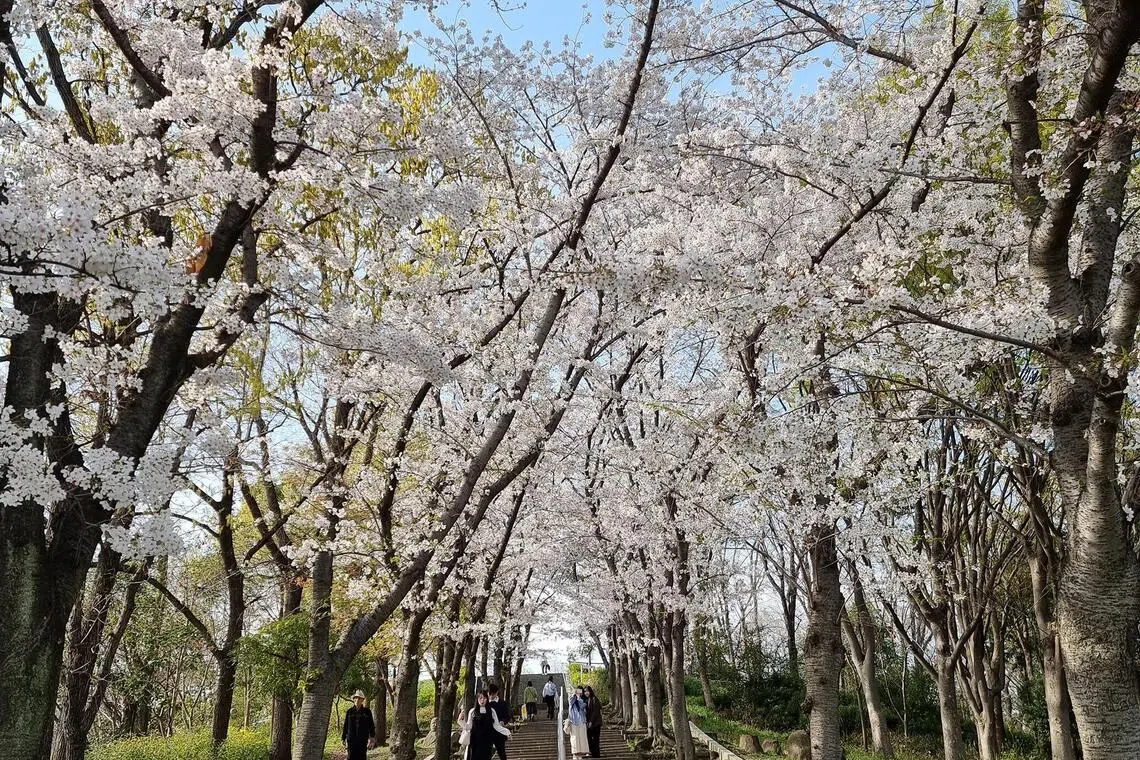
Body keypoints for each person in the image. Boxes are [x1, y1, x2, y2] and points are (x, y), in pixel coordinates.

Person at [461, 691, 511, 760]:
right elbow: (469, 726)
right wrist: (460, 721)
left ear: (487, 699)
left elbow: (497, 726)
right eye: (480, 698)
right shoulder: (472, 711)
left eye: (484, 698)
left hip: (487, 742)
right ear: (477, 699)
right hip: (475, 742)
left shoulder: (491, 711)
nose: (482, 700)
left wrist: (507, 732)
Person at [341, 690, 376, 760]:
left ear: (362, 700)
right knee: (351, 757)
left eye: (359, 698)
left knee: (362, 757)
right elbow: (346, 725)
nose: (357, 700)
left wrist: (372, 738)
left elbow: (371, 725)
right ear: (353, 699)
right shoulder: (349, 711)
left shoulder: (367, 712)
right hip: (351, 739)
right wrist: (343, 737)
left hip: (363, 739)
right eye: (356, 698)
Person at [487, 683, 511, 760]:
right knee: (487, 753)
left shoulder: (502, 703)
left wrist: (503, 722)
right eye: (489, 694)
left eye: (493, 694)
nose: (491, 696)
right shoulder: (485, 703)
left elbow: (507, 716)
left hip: (499, 732)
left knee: (501, 753)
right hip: (487, 732)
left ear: (496, 693)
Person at [567, 686, 589, 759]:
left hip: (581, 722)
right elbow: (570, 703)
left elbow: (583, 707)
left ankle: (580, 755)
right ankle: (575, 755)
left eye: (580, 692)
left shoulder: (582, 701)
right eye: (578, 692)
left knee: (582, 738)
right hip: (574, 722)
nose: (579, 694)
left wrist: (580, 698)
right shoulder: (572, 700)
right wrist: (575, 694)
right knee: (574, 738)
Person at [584, 685, 603, 758]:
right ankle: (593, 752)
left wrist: (591, 721)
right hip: (590, 723)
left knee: (596, 739)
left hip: (596, 723)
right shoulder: (587, 700)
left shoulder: (595, 699)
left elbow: (595, 712)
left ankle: (597, 755)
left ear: (590, 691)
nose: (586, 693)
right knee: (589, 738)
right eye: (585, 691)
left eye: (587, 691)